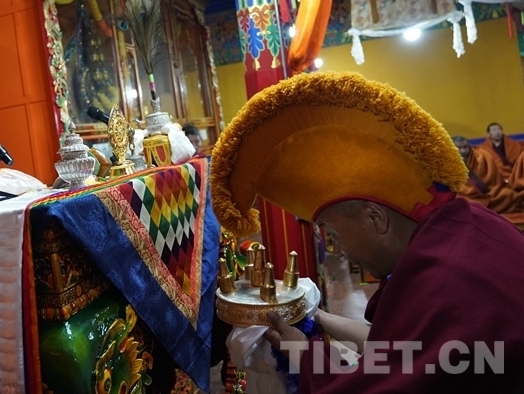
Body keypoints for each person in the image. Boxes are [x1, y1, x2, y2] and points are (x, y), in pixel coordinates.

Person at [211, 72, 524, 392]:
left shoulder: (447, 279)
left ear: (375, 218)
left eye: (332, 234)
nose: (338, 250)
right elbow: (404, 351)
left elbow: (382, 383)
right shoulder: (465, 223)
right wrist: (317, 317)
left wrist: (302, 353)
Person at [452, 136, 519, 213]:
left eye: (465, 147)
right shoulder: (448, 164)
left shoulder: (481, 156)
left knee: (508, 194)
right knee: (462, 202)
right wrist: (473, 191)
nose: (463, 151)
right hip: (468, 196)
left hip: (491, 193)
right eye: (459, 148)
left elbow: (495, 180)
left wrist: (491, 191)